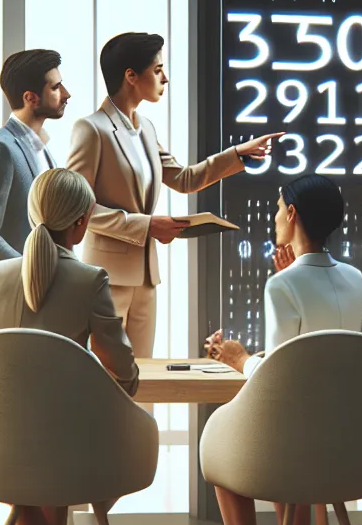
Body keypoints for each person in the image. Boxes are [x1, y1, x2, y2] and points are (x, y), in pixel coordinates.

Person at [0, 167, 140, 525]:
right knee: (50, 451)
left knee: (17, 469)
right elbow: (123, 370)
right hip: (65, 451)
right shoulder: (89, 280)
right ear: (83, 223)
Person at [203, 174, 362, 525]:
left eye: (277, 208)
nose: (273, 217)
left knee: (220, 447)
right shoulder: (355, 278)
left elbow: (278, 380)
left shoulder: (282, 287)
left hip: (297, 448)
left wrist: (238, 358)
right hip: (346, 448)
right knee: (285, 436)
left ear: (292, 215)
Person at [67, 31, 281, 357]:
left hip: (147, 278)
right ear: (131, 76)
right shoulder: (91, 129)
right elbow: (78, 208)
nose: (164, 78)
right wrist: (147, 226)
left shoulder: (146, 128)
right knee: (102, 378)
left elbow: (183, 178)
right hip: (106, 278)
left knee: (144, 377)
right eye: (157, 70)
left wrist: (238, 154)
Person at [0, 48, 69, 264]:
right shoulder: (1, 149)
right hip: (16, 291)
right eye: (56, 87)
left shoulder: (41, 147)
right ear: (30, 98)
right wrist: (30, 272)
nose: (66, 94)